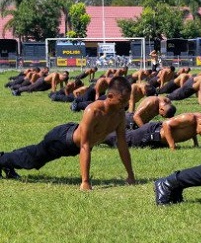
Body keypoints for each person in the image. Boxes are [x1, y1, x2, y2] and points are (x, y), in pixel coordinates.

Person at [0, 77, 136, 190]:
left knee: (34, 155)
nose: (125, 105)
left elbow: (122, 144)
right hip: (62, 140)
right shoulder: (93, 111)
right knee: (34, 160)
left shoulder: (119, 114)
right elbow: (85, 145)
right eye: (122, 101)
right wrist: (85, 182)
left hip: (74, 144)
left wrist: (130, 175)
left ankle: (6, 161)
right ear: (110, 96)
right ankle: (3, 160)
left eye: (127, 101)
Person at [105, 113, 201, 150]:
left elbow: (194, 130)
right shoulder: (188, 118)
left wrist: (196, 143)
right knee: (120, 141)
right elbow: (166, 124)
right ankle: (99, 134)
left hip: (158, 141)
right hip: (151, 133)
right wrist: (172, 146)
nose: (199, 134)